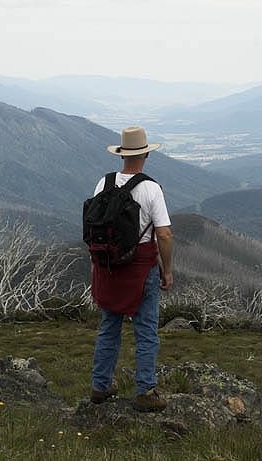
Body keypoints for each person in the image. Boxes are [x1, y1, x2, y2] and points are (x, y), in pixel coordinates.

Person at [89, 126, 173, 412]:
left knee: (109, 327)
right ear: (146, 153)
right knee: (146, 329)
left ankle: (101, 385)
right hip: (140, 268)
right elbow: (163, 235)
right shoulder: (151, 188)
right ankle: (145, 390)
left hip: (108, 267)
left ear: (123, 154)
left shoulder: (104, 183)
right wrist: (169, 270)